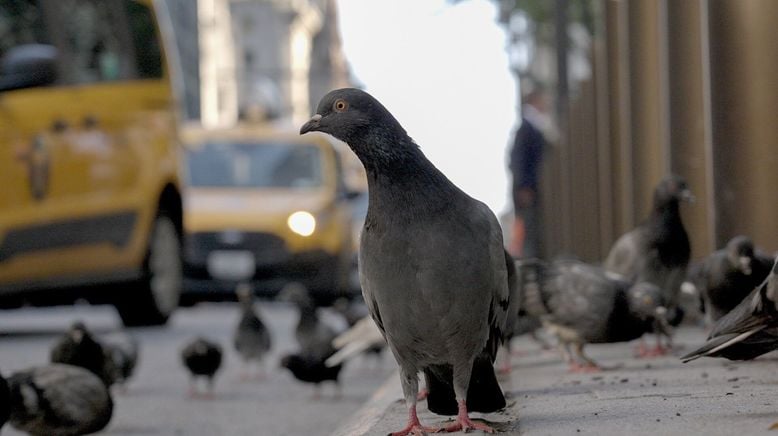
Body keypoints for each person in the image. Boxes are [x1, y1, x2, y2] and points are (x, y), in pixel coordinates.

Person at [508, 89, 547, 258]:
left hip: (528, 188)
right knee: (528, 229)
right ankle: (529, 264)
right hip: (526, 190)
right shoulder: (526, 129)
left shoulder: (529, 127)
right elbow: (518, 160)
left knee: (531, 229)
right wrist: (523, 186)